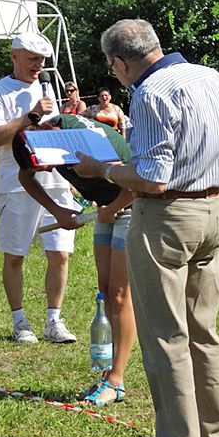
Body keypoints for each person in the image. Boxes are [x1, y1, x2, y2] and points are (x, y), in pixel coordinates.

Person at [73, 19, 219, 437]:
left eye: (113, 69)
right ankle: (217, 436)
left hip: (166, 216)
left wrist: (102, 169)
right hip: (212, 211)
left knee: (166, 335)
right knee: (203, 331)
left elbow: (151, 177)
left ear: (121, 62)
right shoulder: (213, 78)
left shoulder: (150, 93)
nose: (116, 77)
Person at [12, 114, 136, 405]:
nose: (52, 169)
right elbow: (24, 176)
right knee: (105, 292)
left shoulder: (83, 139)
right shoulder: (43, 139)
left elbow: (138, 180)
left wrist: (113, 207)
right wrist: (57, 211)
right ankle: (107, 375)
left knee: (119, 295)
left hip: (134, 206)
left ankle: (116, 380)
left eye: (50, 164)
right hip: (109, 208)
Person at [0, 31, 79, 344]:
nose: (37, 65)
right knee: (15, 256)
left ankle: (54, 320)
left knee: (60, 254)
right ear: (14, 56)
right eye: (32, 59)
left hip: (56, 182)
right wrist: (29, 116)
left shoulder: (48, 89)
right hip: (16, 185)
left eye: (42, 60)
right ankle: (20, 321)